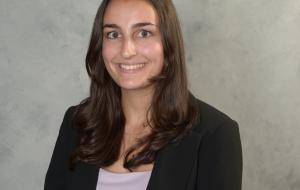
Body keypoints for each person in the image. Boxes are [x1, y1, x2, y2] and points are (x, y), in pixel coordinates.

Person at [44, 0, 243, 189]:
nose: (127, 51)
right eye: (113, 34)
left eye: (144, 33)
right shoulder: (77, 123)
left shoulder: (215, 134)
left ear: (168, 42)